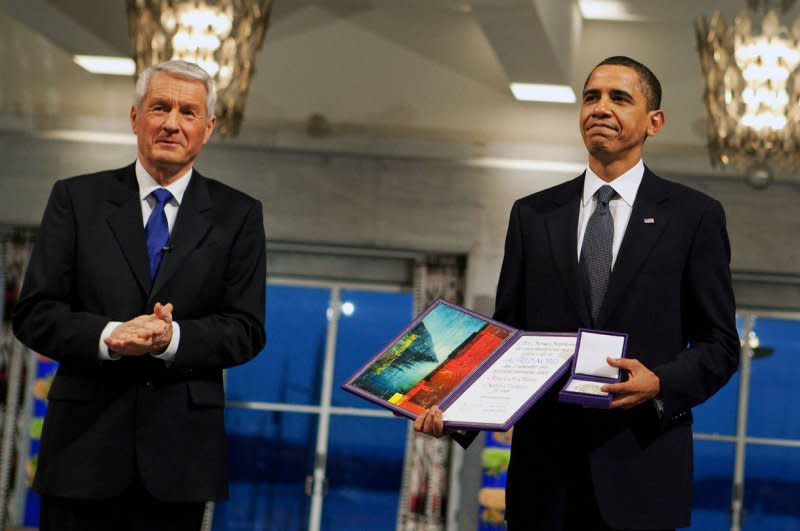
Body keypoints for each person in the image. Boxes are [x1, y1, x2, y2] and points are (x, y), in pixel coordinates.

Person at [414, 56, 739, 530]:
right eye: (591, 97)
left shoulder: (694, 217)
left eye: (619, 98)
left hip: (642, 471)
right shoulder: (532, 215)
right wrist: (456, 410)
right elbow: (504, 340)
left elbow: (720, 344)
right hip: (544, 479)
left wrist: (662, 382)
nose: (600, 108)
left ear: (655, 122)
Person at [13, 60, 266, 531]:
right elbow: (34, 313)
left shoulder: (239, 215)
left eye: (188, 112)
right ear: (135, 118)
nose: (172, 123)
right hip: (81, 454)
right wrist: (111, 336)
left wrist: (170, 339)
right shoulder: (75, 199)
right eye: (160, 107)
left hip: (180, 464)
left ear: (208, 128)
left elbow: (246, 330)